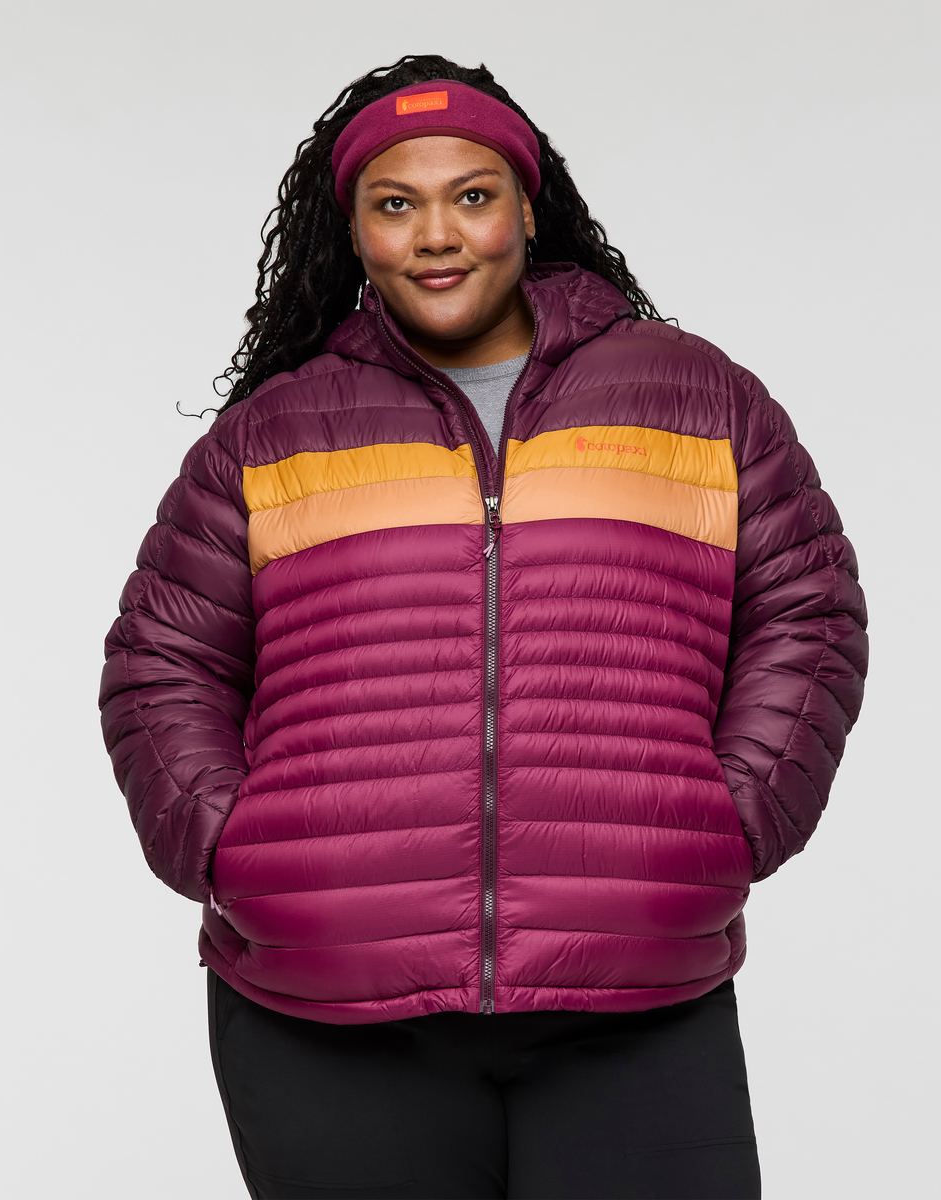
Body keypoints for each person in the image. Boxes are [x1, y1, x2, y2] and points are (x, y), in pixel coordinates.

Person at [100, 54, 867, 1200]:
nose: (437, 236)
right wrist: (231, 847)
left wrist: (729, 820)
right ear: (353, 231)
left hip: (635, 991)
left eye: (471, 195)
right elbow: (163, 658)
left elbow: (807, 609)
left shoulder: (696, 398)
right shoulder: (272, 433)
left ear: (527, 206)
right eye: (394, 204)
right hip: (329, 1006)